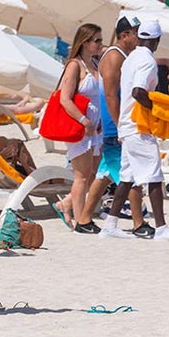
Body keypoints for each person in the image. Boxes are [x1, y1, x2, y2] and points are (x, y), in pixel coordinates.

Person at [101, 21, 169, 241]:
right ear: (157, 41)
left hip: (127, 125)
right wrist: (158, 111)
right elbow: (139, 92)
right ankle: (161, 228)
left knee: (127, 178)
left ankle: (110, 225)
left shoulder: (131, 58)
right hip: (138, 127)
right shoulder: (148, 61)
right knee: (154, 176)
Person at [84, 17, 146, 236]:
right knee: (132, 177)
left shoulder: (122, 56)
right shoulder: (114, 56)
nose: (140, 37)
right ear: (124, 35)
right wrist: (121, 125)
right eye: (136, 33)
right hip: (115, 126)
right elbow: (110, 93)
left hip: (113, 124)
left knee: (103, 176)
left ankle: (83, 221)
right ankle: (139, 224)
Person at [51, 24, 104, 232]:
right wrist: (84, 120)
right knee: (81, 175)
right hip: (80, 126)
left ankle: (66, 204)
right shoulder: (75, 65)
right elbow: (65, 98)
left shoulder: (95, 64)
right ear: (85, 42)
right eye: (97, 40)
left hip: (95, 127)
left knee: (94, 173)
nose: (101, 44)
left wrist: (99, 121)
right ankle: (82, 220)